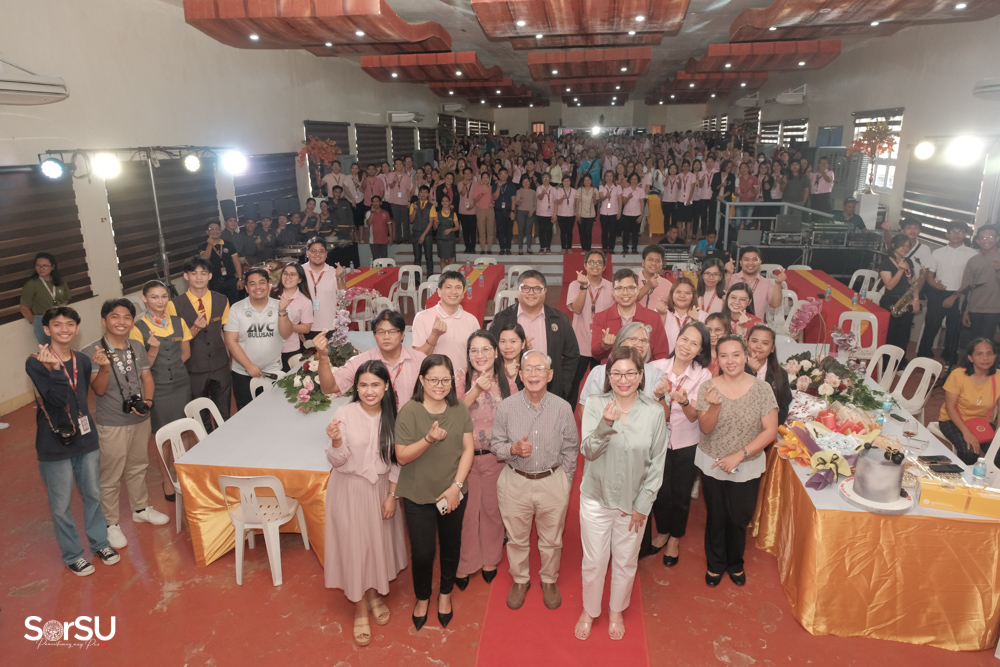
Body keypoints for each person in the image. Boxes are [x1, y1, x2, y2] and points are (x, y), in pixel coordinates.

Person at [576, 346, 668, 641]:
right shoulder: (595, 404)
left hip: (633, 502)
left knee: (626, 560)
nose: (623, 380)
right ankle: (590, 610)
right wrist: (605, 423)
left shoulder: (654, 411)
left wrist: (643, 504)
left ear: (641, 375)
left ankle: (616, 610)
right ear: (608, 375)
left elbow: (657, 463)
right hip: (596, 498)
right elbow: (588, 451)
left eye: (630, 373)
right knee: (594, 561)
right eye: (616, 373)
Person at [26, 307, 120, 576]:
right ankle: (72, 555)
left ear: (77, 329)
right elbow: (56, 400)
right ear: (46, 329)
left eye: (69, 324)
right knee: (61, 504)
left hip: (85, 438)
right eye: (57, 325)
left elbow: (92, 393)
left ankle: (100, 543)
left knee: (92, 494)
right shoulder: (36, 362)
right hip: (54, 442)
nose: (64, 329)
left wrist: (104, 367)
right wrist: (56, 369)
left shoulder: (82, 360)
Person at [324, 360, 407, 647]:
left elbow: (398, 462)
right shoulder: (344, 414)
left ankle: (373, 594)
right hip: (349, 489)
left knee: (375, 544)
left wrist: (392, 495)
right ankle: (359, 607)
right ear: (355, 387)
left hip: (382, 490)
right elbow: (337, 461)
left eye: (375, 384)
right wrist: (336, 442)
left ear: (386, 387)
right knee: (354, 547)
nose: (369, 391)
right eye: (363, 385)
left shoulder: (395, 417)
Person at [491, 350, 579, 611]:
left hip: (552, 480)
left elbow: (571, 447)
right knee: (516, 538)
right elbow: (496, 445)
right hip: (515, 481)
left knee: (552, 538)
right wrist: (513, 450)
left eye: (539, 369)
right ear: (520, 374)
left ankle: (549, 579)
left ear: (549, 375)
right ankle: (520, 579)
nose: (533, 374)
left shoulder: (562, 408)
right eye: (528, 369)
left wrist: (565, 481)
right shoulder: (507, 407)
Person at [394, 355, 474, 630]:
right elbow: (402, 457)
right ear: (421, 380)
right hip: (417, 496)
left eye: (445, 380)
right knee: (423, 552)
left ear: (452, 381)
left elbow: (468, 450)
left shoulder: (459, 409)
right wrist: (428, 439)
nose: (440, 385)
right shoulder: (409, 411)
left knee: (451, 545)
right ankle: (422, 597)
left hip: (453, 492)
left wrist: (456, 487)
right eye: (433, 380)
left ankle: (445, 594)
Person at [83, 298, 170, 551]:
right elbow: (99, 390)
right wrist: (104, 366)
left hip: (140, 417)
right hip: (112, 422)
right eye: (115, 317)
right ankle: (110, 523)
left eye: (127, 317)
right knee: (111, 474)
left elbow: (146, 377)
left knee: (139, 465)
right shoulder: (91, 352)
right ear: (104, 321)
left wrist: (148, 402)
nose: (121, 322)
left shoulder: (136, 346)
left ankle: (140, 509)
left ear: (133, 322)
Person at [695, 334, 778, 588]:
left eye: (735, 355)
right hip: (713, 461)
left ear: (746, 356)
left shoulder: (762, 389)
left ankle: (735, 562)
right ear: (717, 359)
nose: (730, 361)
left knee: (739, 517)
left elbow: (770, 431)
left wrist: (739, 455)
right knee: (716, 515)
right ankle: (715, 563)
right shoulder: (707, 388)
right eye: (723, 356)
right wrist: (714, 407)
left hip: (747, 462)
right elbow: (705, 428)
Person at [643, 321, 712, 564]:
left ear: (700, 350)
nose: (686, 346)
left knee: (681, 494)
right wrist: (659, 396)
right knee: (659, 491)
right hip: (657, 441)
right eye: (684, 339)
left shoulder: (703, 375)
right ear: (677, 338)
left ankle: (675, 538)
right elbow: (645, 407)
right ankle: (663, 531)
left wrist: (683, 402)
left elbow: (694, 416)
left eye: (694, 343)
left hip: (687, 442)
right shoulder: (655, 367)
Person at [454, 331, 515, 590]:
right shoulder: (459, 378)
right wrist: (477, 388)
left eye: (486, 349)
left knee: (492, 510)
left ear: (495, 352)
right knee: (466, 513)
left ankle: (490, 558)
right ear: (468, 355)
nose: (480, 355)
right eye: (474, 350)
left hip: (495, 459)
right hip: (464, 459)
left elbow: (514, 419)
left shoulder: (507, 382)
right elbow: (455, 415)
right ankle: (466, 562)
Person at [130, 280, 193, 500]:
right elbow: (141, 366)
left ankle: (184, 476)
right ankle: (167, 480)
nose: (160, 301)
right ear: (144, 299)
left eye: (164, 296)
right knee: (163, 438)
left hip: (181, 385)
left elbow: (186, 353)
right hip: (157, 389)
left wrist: (173, 370)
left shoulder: (178, 322)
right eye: (154, 297)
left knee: (185, 432)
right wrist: (154, 353)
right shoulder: (137, 328)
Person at [488, 271, 579, 402]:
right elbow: (491, 353)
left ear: (545, 290)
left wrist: (562, 385)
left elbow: (572, 355)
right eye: (525, 288)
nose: (531, 293)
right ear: (517, 289)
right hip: (512, 391)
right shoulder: (502, 319)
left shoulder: (560, 320)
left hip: (550, 391)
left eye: (537, 288)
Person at [167, 256, 232, 424]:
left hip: (220, 365)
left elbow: (226, 333)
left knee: (223, 413)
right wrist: (195, 328)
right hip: (193, 368)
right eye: (194, 273)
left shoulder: (222, 300)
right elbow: (175, 340)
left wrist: (230, 360)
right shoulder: (174, 305)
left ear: (210, 276)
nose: (199, 277)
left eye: (203, 273)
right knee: (200, 417)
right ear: (186, 276)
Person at [317, 310, 425, 405]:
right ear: (374, 335)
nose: (386, 337)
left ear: (402, 334)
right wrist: (322, 357)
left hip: (411, 420)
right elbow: (329, 388)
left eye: (392, 331)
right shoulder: (361, 362)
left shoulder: (420, 360)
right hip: (374, 421)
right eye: (381, 332)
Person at [223, 267, 292, 410]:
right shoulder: (236, 309)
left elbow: (286, 334)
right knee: (247, 413)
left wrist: (282, 312)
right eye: (252, 284)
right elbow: (230, 340)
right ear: (246, 288)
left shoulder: (280, 305)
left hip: (273, 370)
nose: (258, 287)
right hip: (243, 373)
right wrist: (249, 366)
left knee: (273, 410)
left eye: (261, 282)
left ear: (268, 285)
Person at [918, 222, 977, 367]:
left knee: (954, 328)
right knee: (931, 325)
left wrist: (954, 296)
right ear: (947, 234)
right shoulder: (937, 253)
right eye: (952, 232)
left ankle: (949, 357)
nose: (956, 235)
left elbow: (971, 280)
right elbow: (930, 276)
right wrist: (934, 285)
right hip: (938, 293)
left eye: (959, 231)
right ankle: (923, 354)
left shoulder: (972, 254)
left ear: (965, 234)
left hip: (960, 295)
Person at [938, 338, 1000, 466]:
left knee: (997, 453)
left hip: (982, 422)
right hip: (952, 420)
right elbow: (950, 408)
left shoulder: (998, 377)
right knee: (969, 452)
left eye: (990, 353)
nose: (985, 358)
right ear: (970, 358)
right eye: (979, 354)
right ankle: (964, 477)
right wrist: (967, 433)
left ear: (995, 356)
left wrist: (997, 435)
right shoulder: (958, 375)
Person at [592, 268, 671, 363]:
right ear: (613, 292)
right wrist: (604, 346)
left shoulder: (653, 317)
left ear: (637, 290)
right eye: (619, 288)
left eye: (630, 288)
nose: (625, 293)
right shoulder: (600, 318)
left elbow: (662, 354)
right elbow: (595, 354)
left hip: (645, 370)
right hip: (613, 371)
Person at [567, 250, 615, 404]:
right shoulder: (575, 285)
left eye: (599, 262)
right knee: (573, 383)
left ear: (604, 267)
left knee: (603, 385)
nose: (595, 265)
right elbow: (577, 309)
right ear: (585, 265)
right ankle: (568, 415)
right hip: (580, 343)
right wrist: (583, 287)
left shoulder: (611, 288)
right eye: (591, 262)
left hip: (602, 345)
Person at [580, 322, 665, 406]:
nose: (640, 344)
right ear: (620, 342)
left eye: (644, 340)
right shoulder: (599, 372)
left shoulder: (657, 375)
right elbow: (585, 408)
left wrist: (659, 396)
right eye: (633, 339)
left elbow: (664, 413)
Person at [412, 272, 480, 360]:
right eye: (448, 287)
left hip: (463, 369)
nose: (454, 292)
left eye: (458, 287)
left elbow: (478, 352)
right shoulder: (422, 317)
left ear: (463, 293)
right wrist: (434, 336)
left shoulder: (472, 320)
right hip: (434, 369)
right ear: (439, 292)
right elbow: (417, 357)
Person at [956, 225, 1000, 343]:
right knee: (975, 342)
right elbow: (966, 286)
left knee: (987, 342)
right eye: (983, 237)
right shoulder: (973, 261)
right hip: (975, 308)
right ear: (977, 241)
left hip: (995, 309)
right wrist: (965, 311)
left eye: (990, 236)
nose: (986, 240)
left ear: (997, 238)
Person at [878, 234, 919, 362]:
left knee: (904, 335)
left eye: (908, 246)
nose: (905, 248)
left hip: (906, 301)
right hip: (891, 301)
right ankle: (886, 363)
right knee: (890, 334)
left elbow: (913, 283)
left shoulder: (909, 261)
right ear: (894, 245)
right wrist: (900, 270)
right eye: (902, 245)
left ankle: (899, 362)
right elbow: (889, 286)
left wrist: (916, 300)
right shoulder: (886, 263)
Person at [745, 324, 792, 424]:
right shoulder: (734, 367)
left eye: (765, 343)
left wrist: (771, 428)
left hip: (770, 427)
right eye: (754, 341)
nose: (758, 346)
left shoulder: (780, 374)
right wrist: (750, 371)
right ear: (746, 342)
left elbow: (783, 406)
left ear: (772, 348)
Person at [20, 252, 71, 344]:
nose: (41, 268)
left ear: (53, 267)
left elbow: (66, 298)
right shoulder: (31, 284)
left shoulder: (60, 281)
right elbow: (24, 307)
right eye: (38, 265)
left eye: (45, 266)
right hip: (43, 320)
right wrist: (37, 322)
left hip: (60, 318)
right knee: (50, 349)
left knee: (63, 346)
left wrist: (61, 311)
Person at [302, 238, 347, 340]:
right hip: (305, 327)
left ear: (326, 254)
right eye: (313, 251)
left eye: (321, 251)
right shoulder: (300, 271)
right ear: (307, 253)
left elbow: (344, 297)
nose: (317, 254)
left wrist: (339, 278)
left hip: (329, 326)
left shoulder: (333, 272)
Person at [274, 263, 314, 370]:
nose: (288, 277)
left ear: (300, 279)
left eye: (293, 274)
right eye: (285, 273)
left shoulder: (305, 302)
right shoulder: (271, 293)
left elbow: (306, 328)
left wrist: (286, 326)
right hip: (269, 346)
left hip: (289, 348)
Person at [727, 246, 784, 316]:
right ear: (741, 262)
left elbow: (775, 304)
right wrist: (728, 273)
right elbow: (722, 297)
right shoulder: (731, 278)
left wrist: (778, 283)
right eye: (746, 259)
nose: (750, 263)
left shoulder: (767, 283)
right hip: (732, 321)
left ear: (760, 262)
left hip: (756, 322)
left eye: (754, 259)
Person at [200, 220, 242, 307]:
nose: (215, 231)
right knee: (219, 307)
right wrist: (210, 245)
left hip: (231, 280)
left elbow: (236, 262)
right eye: (211, 229)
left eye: (217, 228)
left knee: (235, 306)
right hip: (215, 282)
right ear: (207, 232)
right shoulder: (203, 246)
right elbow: (204, 259)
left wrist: (240, 279)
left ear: (221, 230)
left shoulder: (229, 244)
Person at [657, 277, 700, 350]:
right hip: (664, 356)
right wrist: (661, 315)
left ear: (693, 296)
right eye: (678, 292)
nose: (682, 296)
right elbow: (653, 338)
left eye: (687, 293)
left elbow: (703, 343)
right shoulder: (660, 311)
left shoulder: (702, 316)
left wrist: (696, 322)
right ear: (672, 294)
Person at [635, 245, 673, 311]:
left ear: (662, 265)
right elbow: (627, 302)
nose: (654, 263)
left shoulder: (668, 285)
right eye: (650, 259)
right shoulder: (631, 280)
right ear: (643, 262)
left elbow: (672, 308)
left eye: (658, 261)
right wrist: (647, 286)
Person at [410, 185, 436, 276]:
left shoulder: (431, 206)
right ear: (419, 194)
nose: (423, 194)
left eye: (425, 192)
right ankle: (417, 279)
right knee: (417, 258)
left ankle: (430, 277)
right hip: (416, 233)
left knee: (429, 257)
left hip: (427, 234)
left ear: (428, 194)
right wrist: (415, 209)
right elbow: (411, 220)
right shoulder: (413, 205)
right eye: (421, 192)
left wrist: (423, 235)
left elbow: (431, 223)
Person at [384, 159, 412, 241]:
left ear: (403, 165)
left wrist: (409, 201)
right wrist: (394, 181)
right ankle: (398, 238)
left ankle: (406, 238)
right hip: (394, 201)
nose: (399, 165)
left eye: (400, 164)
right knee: (397, 221)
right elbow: (391, 186)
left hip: (404, 201)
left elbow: (408, 190)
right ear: (394, 166)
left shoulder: (406, 176)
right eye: (397, 164)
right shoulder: (391, 175)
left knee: (405, 221)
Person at [493, 168, 518, 256]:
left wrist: (512, 211)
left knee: (509, 230)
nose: (503, 175)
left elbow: (513, 200)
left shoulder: (511, 186)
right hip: (499, 211)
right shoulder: (495, 185)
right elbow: (495, 197)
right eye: (501, 174)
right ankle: (502, 248)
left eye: (505, 173)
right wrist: (499, 187)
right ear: (498, 175)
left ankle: (508, 248)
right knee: (500, 230)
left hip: (508, 211)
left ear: (507, 175)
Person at [619, 173, 645, 256]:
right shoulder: (626, 190)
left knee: (635, 233)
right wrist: (628, 197)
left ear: (638, 180)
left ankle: (634, 248)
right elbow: (624, 202)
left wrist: (641, 215)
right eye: (632, 179)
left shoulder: (641, 190)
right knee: (626, 232)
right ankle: (625, 248)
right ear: (629, 180)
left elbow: (642, 203)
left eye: (635, 179)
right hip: (626, 214)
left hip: (637, 214)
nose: (634, 181)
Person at [598, 170, 622, 254]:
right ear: (604, 177)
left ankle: (611, 247)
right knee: (604, 231)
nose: (609, 178)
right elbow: (601, 198)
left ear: (613, 177)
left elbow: (620, 199)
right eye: (607, 176)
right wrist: (605, 196)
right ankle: (604, 247)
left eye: (610, 176)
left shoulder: (617, 187)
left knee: (612, 232)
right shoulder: (601, 186)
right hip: (604, 212)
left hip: (613, 212)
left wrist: (619, 211)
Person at [497, 323, 528, 389]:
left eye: (513, 341)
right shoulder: (492, 369)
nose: (507, 346)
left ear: (523, 344)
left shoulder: (530, 370)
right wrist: (505, 376)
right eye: (503, 342)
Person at [472, 171, 496, 255]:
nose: (485, 179)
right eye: (484, 177)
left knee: (490, 229)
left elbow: (495, 198)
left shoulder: (492, 188)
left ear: (489, 179)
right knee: (481, 230)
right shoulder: (477, 188)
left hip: (490, 210)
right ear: (481, 179)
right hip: (480, 210)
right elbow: (475, 200)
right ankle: (482, 248)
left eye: (487, 177)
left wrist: (493, 203)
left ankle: (489, 248)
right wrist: (481, 194)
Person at [553, 175, 578, 255]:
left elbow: (576, 203)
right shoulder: (558, 191)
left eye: (568, 181)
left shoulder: (574, 191)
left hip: (571, 214)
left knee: (569, 231)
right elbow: (556, 202)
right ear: (562, 182)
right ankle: (563, 248)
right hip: (561, 214)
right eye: (565, 181)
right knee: (563, 232)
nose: (566, 183)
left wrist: (577, 213)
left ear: (570, 182)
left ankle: (569, 247)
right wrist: (562, 198)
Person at [513, 174, 537, 255]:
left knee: (529, 231)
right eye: (524, 182)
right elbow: (517, 203)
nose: (526, 184)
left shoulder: (533, 192)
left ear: (530, 182)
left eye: (527, 182)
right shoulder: (519, 191)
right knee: (521, 231)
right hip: (521, 212)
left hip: (530, 212)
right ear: (521, 183)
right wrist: (520, 200)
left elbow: (535, 204)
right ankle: (520, 248)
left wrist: (533, 210)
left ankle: (529, 248)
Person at [457, 167, 479, 253]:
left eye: (469, 173)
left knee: (473, 230)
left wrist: (473, 205)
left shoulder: (476, 184)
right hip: (463, 210)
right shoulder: (460, 184)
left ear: (472, 174)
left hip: (473, 210)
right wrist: (465, 185)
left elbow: (477, 197)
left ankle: (473, 246)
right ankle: (467, 246)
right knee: (465, 230)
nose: (467, 175)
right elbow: (462, 194)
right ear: (463, 174)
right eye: (465, 173)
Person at [434, 195, 460, 270]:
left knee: (450, 259)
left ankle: (451, 274)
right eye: (443, 201)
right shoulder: (437, 213)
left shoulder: (453, 214)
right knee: (442, 259)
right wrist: (436, 223)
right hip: (441, 239)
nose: (445, 203)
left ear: (449, 202)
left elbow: (457, 227)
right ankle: (444, 274)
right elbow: (435, 228)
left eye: (446, 201)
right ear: (441, 203)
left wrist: (451, 229)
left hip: (450, 239)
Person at [576, 174, 599, 253]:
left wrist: (594, 198)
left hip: (590, 214)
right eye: (585, 180)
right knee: (581, 232)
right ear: (583, 181)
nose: (587, 182)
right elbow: (577, 202)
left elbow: (595, 203)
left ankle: (588, 249)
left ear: (591, 181)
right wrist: (577, 213)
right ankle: (584, 249)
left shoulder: (595, 190)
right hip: (581, 213)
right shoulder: (580, 190)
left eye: (588, 180)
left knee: (588, 232)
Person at [366, 195, 393, 260]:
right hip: (373, 240)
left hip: (384, 239)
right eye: (374, 202)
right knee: (376, 259)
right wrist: (372, 213)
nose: (375, 203)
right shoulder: (369, 213)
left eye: (377, 201)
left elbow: (389, 225)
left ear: (380, 202)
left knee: (384, 258)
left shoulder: (385, 213)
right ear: (371, 203)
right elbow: (369, 223)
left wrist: (391, 237)